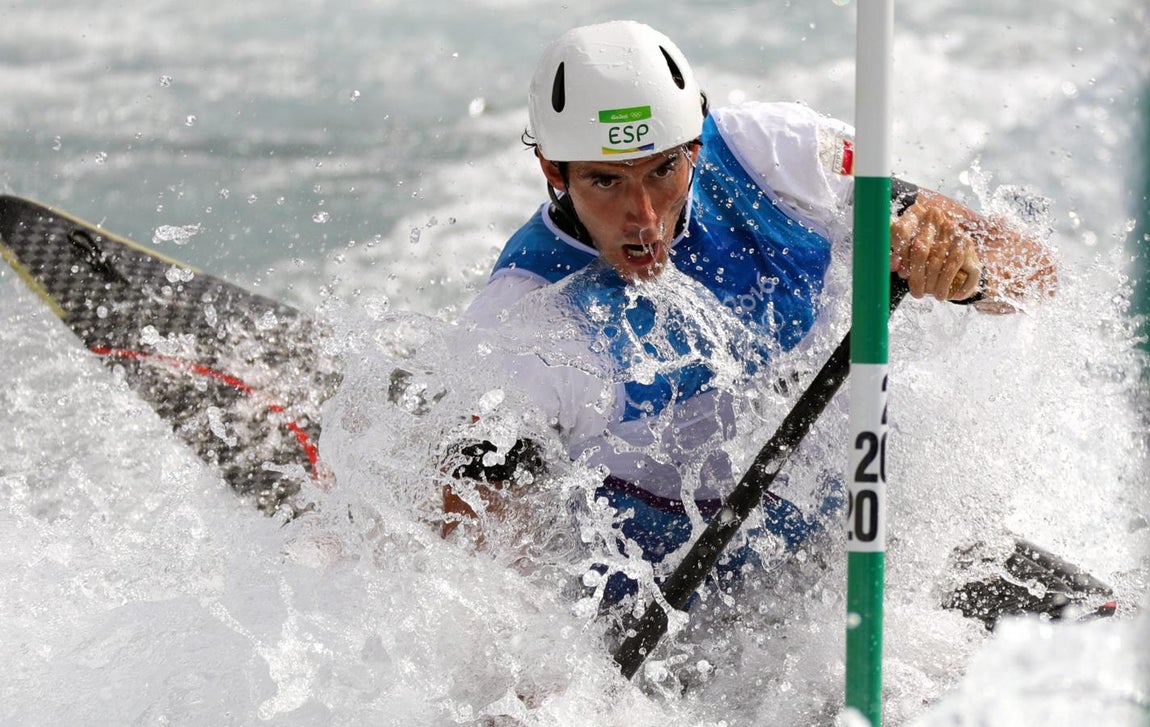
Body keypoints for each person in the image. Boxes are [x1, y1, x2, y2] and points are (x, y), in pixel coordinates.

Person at [440, 21, 1056, 606]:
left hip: (856, 537)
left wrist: (965, 275)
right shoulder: (523, 325)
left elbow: (1036, 272)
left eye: (662, 171)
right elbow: (471, 582)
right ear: (553, 170)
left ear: (696, 143)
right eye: (605, 182)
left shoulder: (780, 160)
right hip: (661, 617)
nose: (645, 217)